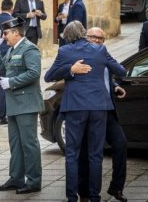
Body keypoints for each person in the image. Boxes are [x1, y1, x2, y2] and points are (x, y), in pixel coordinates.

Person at [44, 21, 126, 202]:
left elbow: (48, 76)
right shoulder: (100, 50)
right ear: (83, 33)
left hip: (75, 108)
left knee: (72, 154)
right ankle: (94, 197)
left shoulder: (65, 51)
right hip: (99, 108)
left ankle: (72, 197)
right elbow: (121, 70)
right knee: (95, 155)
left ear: (66, 36)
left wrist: (69, 70)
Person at [70, 27, 128, 202]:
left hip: (107, 111)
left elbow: (108, 76)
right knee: (86, 152)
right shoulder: (79, 55)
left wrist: (114, 86)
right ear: (86, 37)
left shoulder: (103, 54)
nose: (96, 40)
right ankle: (85, 193)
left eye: (100, 38)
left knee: (120, 144)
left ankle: (116, 187)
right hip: (87, 110)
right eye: (92, 37)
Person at [0, 17, 43, 194]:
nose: (4, 37)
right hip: (14, 104)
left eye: (6, 33)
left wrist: (12, 82)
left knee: (29, 144)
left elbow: (34, 73)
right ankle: (17, 178)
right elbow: (0, 68)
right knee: (16, 144)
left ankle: (34, 180)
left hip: (26, 104)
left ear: (16, 32)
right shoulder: (13, 50)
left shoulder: (29, 48)